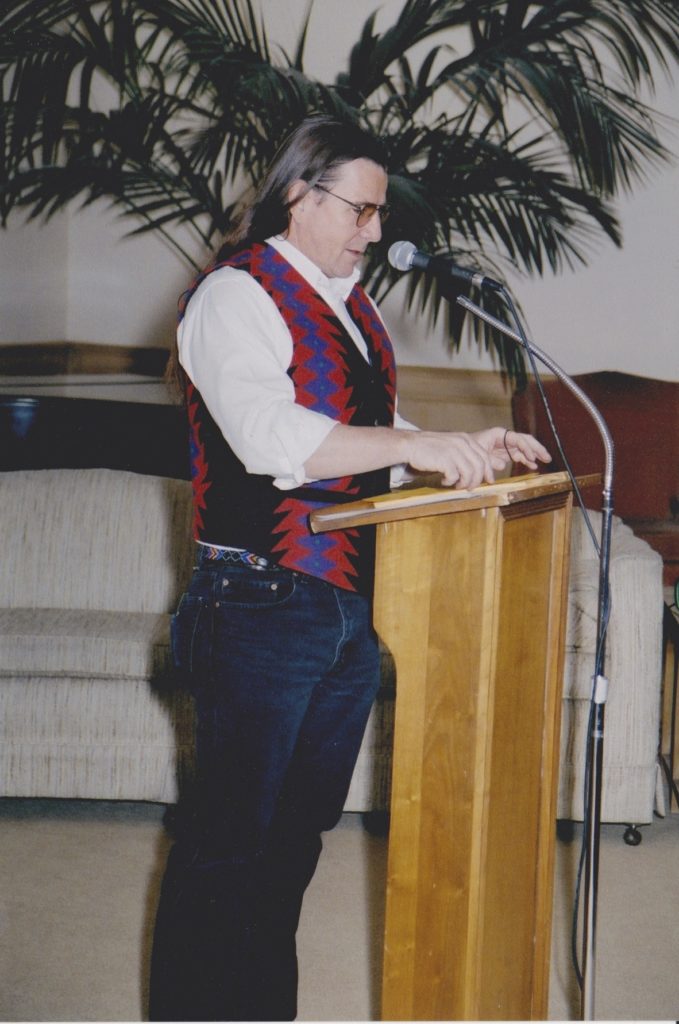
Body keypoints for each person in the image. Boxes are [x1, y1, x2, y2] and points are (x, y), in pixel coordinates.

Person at [148, 114, 551, 1022]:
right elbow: (268, 437)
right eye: (361, 211)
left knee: (292, 844)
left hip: (345, 610)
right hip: (255, 597)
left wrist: (448, 445)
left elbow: (367, 442)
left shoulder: (355, 308)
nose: (375, 232)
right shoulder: (233, 294)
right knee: (229, 845)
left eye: (378, 213)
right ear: (300, 194)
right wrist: (421, 442)